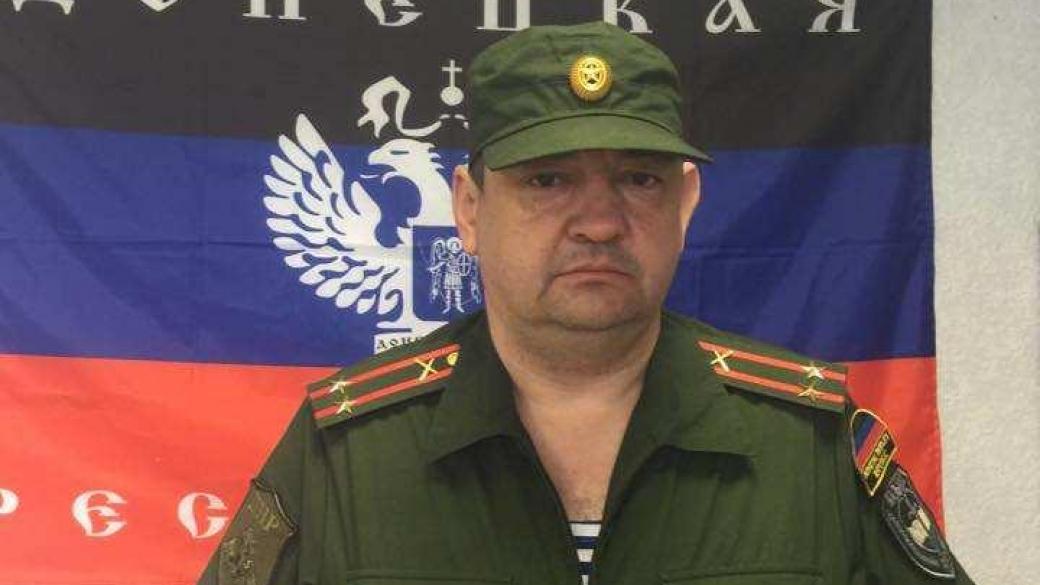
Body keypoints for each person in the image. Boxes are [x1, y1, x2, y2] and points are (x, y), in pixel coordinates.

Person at [199, 21, 974, 585]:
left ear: (685, 203)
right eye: (548, 179)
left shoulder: (806, 446)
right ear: (468, 208)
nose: (599, 221)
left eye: (638, 178)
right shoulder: (347, 455)